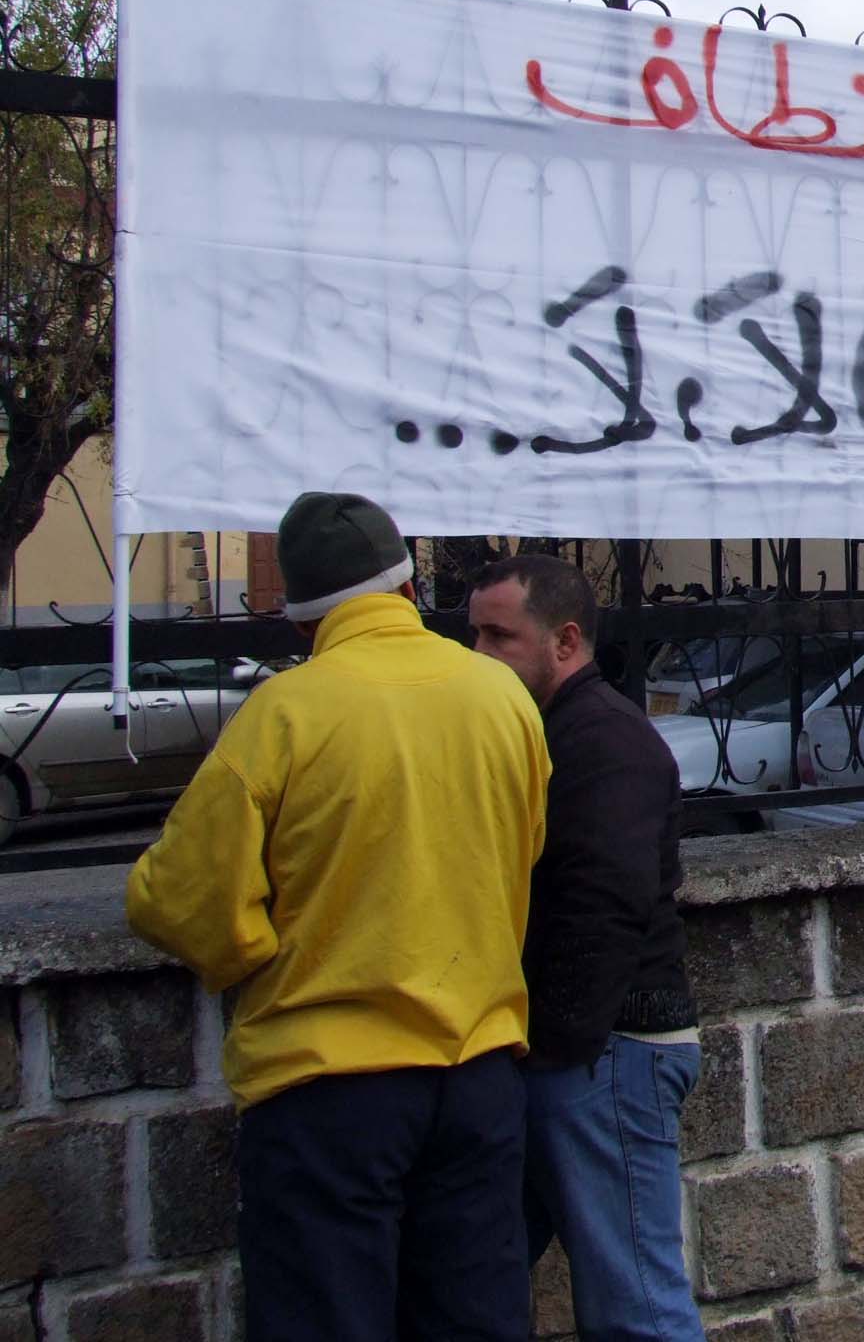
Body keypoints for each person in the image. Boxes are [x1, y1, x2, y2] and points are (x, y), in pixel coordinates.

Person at [126, 492, 549, 1342]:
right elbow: (525, 846)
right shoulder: (500, 698)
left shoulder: (286, 713)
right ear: (405, 587)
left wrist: (250, 949)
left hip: (329, 1087)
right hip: (479, 1072)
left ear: (301, 619)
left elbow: (180, 899)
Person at [467, 552, 702, 1342]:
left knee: (636, 1305)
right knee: (478, 1283)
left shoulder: (604, 740)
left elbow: (607, 907)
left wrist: (558, 1045)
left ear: (565, 641)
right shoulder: (552, 731)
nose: (480, 656)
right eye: (474, 634)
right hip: (574, 1055)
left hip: (606, 1053)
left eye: (500, 636)